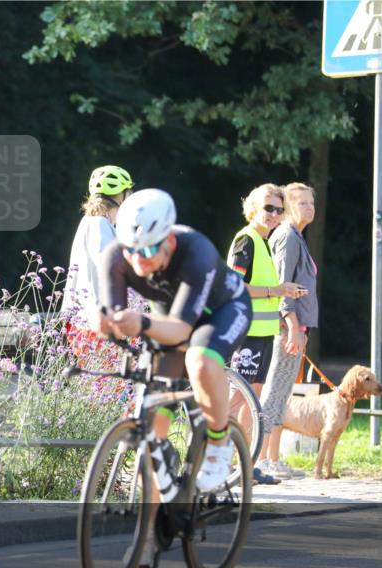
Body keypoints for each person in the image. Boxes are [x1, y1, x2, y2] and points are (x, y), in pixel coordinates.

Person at [90, 188, 252, 499]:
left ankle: (219, 445)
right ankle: (152, 531)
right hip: (171, 317)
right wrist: (104, 322)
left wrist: (142, 323)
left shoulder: (196, 251)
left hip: (223, 310)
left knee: (199, 360)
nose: (139, 259)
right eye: (131, 250)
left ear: (170, 241)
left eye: (149, 251)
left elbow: (179, 332)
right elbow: (112, 316)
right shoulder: (115, 256)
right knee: (151, 431)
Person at [226, 184, 306, 484]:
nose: (273, 214)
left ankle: (244, 465)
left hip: (264, 333)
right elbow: (233, 286)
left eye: (278, 209)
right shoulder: (246, 240)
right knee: (236, 401)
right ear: (253, 208)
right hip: (246, 333)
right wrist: (277, 290)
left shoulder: (263, 241)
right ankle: (217, 461)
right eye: (268, 208)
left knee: (252, 402)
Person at [257, 182, 320, 479]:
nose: (310, 208)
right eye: (303, 203)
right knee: (274, 392)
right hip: (286, 327)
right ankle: (259, 460)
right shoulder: (288, 237)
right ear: (289, 207)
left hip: (296, 326)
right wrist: (293, 327)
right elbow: (283, 287)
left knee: (281, 393)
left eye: (311, 202)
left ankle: (272, 458)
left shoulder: (297, 236)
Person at [61, 165, 135, 363]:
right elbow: (108, 269)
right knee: (111, 388)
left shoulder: (93, 222)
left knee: (110, 387)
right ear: (122, 196)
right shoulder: (99, 225)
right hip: (95, 323)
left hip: (88, 322)